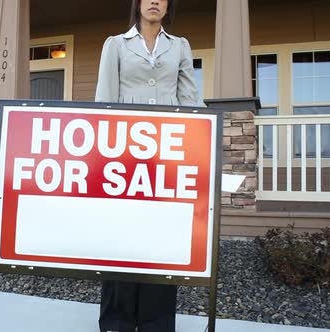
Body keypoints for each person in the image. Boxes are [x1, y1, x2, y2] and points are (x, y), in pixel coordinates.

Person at [94, 0, 200, 331]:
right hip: (124, 153)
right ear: (138, 4)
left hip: (167, 153)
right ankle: (117, 320)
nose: (154, 1)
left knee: (163, 235)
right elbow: (105, 99)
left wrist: (199, 145)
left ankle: (156, 320)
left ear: (168, 5)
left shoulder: (180, 46)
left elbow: (190, 99)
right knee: (122, 233)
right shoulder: (115, 45)